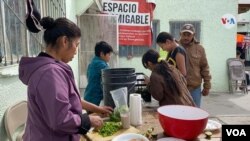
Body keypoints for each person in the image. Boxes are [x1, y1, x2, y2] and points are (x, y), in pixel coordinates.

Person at [20, 15, 113, 141]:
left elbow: (71, 100)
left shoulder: (52, 68)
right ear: (64, 41)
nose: (76, 51)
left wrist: (98, 109)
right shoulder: (50, 73)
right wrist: (88, 120)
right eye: (76, 44)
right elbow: (60, 120)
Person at [178, 24, 212, 107]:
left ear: (194, 35)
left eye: (189, 35)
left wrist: (207, 86)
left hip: (194, 88)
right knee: (179, 113)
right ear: (180, 34)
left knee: (195, 113)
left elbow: (205, 68)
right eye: (184, 34)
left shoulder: (200, 49)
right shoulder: (175, 47)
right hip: (178, 88)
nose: (186, 37)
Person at [84, 41, 113, 106]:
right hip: (95, 100)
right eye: (109, 54)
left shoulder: (92, 63)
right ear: (102, 54)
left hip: (87, 97)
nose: (110, 56)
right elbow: (109, 83)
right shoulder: (102, 65)